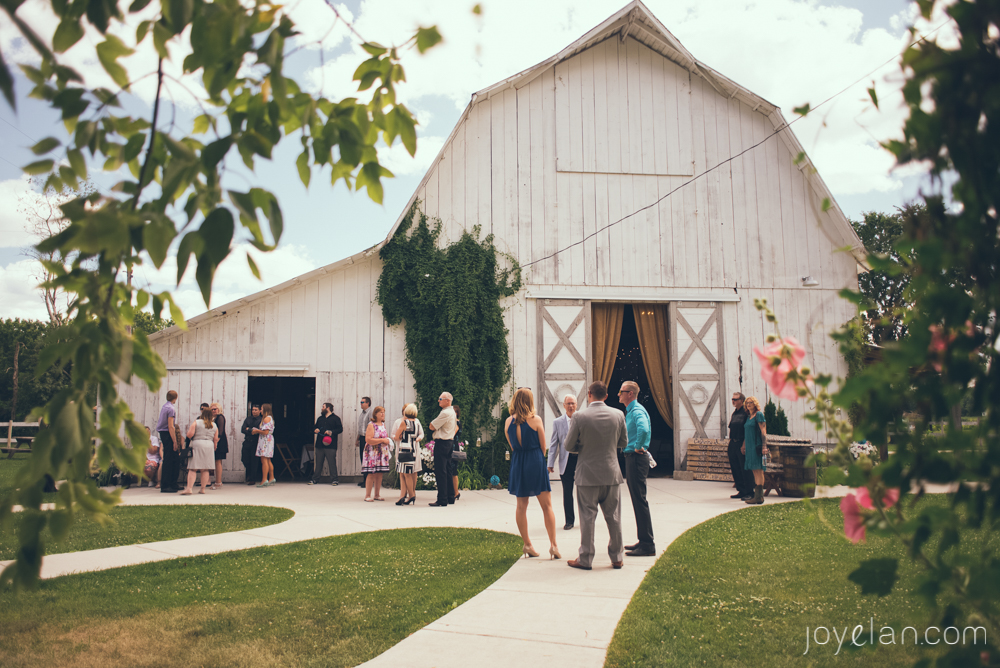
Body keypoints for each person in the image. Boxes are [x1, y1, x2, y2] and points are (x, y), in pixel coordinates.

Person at [563, 381, 627, 571]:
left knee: (587, 517)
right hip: (611, 473)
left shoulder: (579, 416)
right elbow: (623, 441)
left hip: (587, 474)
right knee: (614, 516)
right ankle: (617, 557)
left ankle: (586, 558)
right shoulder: (618, 414)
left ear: (589, 394)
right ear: (606, 396)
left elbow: (568, 446)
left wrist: (582, 449)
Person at [505, 388, 560, 559]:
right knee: (547, 506)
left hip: (518, 462)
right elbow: (543, 446)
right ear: (530, 401)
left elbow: (513, 446)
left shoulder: (508, 422)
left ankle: (527, 544)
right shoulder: (536, 420)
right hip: (535, 461)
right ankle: (553, 545)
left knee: (521, 506)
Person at [619, 381, 656, 557]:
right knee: (637, 500)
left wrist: (638, 446)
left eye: (621, 391)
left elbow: (643, 428)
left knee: (639, 500)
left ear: (630, 394)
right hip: (633, 458)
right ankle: (643, 540)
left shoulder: (637, 411)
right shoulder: (632, 411)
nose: (619, 394)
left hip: (636, 458)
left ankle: (648, 544)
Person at [548, 394, 579, 530]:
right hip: (565, 461)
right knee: (567, 492)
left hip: (581, 460)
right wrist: (550, 463)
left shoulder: (583, 420)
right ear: (564, 406)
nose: (571, 406)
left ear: (576, 405)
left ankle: (585, 520)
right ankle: (569, 521)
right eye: (568, 404)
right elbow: (554, 444)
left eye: (573, 403)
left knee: (584, 493)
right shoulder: (558, 422)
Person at [427, 392, 458, 506]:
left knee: (441, 471)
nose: (438, 400)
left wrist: (433, 427)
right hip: (449, 442)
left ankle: (442, 499)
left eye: (440, 399)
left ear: (447, 400)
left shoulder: (445, 413)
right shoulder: (452, 412)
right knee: (448, 470)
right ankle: (450, 496)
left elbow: (432, 426)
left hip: (442, 442)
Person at [392, 403, 424, 505]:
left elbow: (397, 437)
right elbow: (419, 434)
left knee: (405, 473)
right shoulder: (417, 423)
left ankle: (410, 495)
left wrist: (400, 434)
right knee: (409, 472)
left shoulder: (404, 422)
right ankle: (408, 495)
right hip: (414, 449)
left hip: (404, 449)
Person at [182, 406, 218, 495]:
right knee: (205, 469)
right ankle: (203, 489)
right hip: (209, 445)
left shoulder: (197, 422)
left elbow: (190, 434)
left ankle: (189, 489)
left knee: (193, 468)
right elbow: (216, 438)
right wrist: (215, 446)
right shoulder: (214, 425)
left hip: (197, 444)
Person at [727, 393, 754, 501]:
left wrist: (744, 444)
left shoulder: (746, 413)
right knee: (735, 467)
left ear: (741, 400)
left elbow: (747, 430)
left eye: (735, 399)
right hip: (733, 442)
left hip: (741, 442)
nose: (733, 401)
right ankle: (741, 490)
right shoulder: (735, 413)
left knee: (745, 468)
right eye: (732, 399)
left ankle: (750, 492)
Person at [742, 396, 769, 505]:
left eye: (751, 402)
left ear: (755, 404)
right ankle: (757, 495)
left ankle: (759, 496)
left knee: (758, 470)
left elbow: (763, 431)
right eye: (747, 403)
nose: (749, 404)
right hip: (749, 447)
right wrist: (744, 445)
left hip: (756, 446)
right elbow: (746, 433)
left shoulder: (759, 415)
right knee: (753, 470)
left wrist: (764, 446)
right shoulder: (749, 417)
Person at [362, 406, 392, 501]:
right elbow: (368, 439)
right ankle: (367, 495)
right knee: (371, 473)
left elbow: (385, 436)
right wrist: (382, 440)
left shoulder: (383, 424)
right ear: (375, 414)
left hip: (382, 452)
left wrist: (386, 441)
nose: (382, 414)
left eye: (383, 412)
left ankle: (377, 494)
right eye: (380, 412)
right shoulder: (371, 425)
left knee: (379, 473)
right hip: (372, 452)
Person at [311, 402, 343, 486]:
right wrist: (315, 430)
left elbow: (340, 429)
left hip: (331, 444)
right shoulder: (320, 418)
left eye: (323, 407)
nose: (322, 408)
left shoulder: (336, 418)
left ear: (328, 408)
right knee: (318, 463)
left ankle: (334, 480)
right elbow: (314, 427)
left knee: (331, 462)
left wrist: (331, 432)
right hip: (319, 444)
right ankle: (315, 479)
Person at [156, 390, 180, 493]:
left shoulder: (165, 406)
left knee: (175, 459)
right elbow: (171, 426)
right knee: (169, 459)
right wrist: (174, 441)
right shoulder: (171, 409)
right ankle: (165, 485)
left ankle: (173, 483)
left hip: (164, 433)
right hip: (167, 434)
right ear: (176, 398)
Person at [253, 403, 276, 487]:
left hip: (265, 440)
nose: (260, 410)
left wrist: (256, 431)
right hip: (269, 440)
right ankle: (271, 478)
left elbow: (266, 432)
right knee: (268, 460)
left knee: (264, 460)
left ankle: (264, 479)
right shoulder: (270, 418)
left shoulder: (266, 418)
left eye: (261, 409)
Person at [241, 404, 261, 485]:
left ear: (260, 411)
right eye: (253, 410)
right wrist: (251, 430)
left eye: (256, 410)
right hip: (247, 441)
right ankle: (248, 473)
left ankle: (252, 478)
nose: (254, 411)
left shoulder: (261, 420)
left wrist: (248, 429)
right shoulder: (248, 419)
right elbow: (243, 429)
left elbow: (259, 431)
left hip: (256, 442)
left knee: (254, 460)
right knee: (244, 459)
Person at [210, 402, 228, 489]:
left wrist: (216, 442)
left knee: (218, 461)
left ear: (219, 409)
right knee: (215, 461)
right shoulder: (212, 418)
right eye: (212, 409)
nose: (213, 411)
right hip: (214, 440)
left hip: (219, 441)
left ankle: (218, 482)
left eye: (215, 409)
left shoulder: (220, 417)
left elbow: (220, 431)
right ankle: (216, 481)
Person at [357, 396, 372, 486]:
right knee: (362, 459)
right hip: (362, 437)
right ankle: (364, 479)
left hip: (368, 438)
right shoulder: (362, 413)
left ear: (368, 403)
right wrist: (357, 439)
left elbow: (372, 426)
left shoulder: (370, 413)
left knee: (367, 459)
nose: (361, 404)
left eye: (362, 402)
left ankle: (368, 481)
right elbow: (360, 428)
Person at [451, 404, 462, 501]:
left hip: (454, 447)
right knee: (451, 470)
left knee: (454, 471)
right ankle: (453, 491)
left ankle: (456, 492)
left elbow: (452, 434)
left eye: (454, 412)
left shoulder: (457, 423)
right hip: (451, 446)